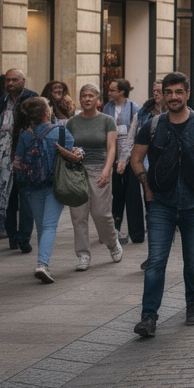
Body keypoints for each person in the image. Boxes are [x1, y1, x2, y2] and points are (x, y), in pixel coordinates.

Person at [128, 72, 194, 338]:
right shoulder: (153, 125)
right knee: (156, 261)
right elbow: (136, 158)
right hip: (161, 204)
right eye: (168, 92)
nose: (173, 97)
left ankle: (193, 304)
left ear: (187, 94)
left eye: (178, 92)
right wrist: (147, 189)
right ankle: (148, 316)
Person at [13, 97, 83, 283]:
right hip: (55, 184)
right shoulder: (60, 132)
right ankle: (42, 264)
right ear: (46, 112)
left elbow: (17, 163)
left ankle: (42, 262)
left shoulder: (25, 135)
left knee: (41, 226)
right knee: (50, 225)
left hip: (33, 186)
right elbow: (72, 154)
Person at [66, 84, 122, 271]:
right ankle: (83, 254)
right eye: (83, 96)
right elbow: (67, 145)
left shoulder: (107, 120)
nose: (87, 99)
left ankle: (112, 242)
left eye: (91, 96)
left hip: (99, 169)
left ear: (98, 99)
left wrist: (107, 170)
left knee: (100, 213)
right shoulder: (72, 122)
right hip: (76, 171)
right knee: (78, 215)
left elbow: (111, 148)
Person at [0, 69, 38, 246]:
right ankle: (12, 236)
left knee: (26, 199)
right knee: (7, 198)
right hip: (3, 160)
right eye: (8, 80)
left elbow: (42, 124)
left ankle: (24, 237)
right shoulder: (1, 103)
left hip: (27, 159)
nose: (10, 83)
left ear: (23, 81)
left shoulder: (32, 99)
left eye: (14, 80)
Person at [104, 78, 143, 246]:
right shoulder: (107, 108)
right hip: (113, 153)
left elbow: (134, 136)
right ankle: (114, 229)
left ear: (122, 92)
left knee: (132, 194)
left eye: (113, 90)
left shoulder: (135, 108)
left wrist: (125, 158)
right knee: (116, 194)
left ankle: (136, 232)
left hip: (130, 155)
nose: (109, 93)